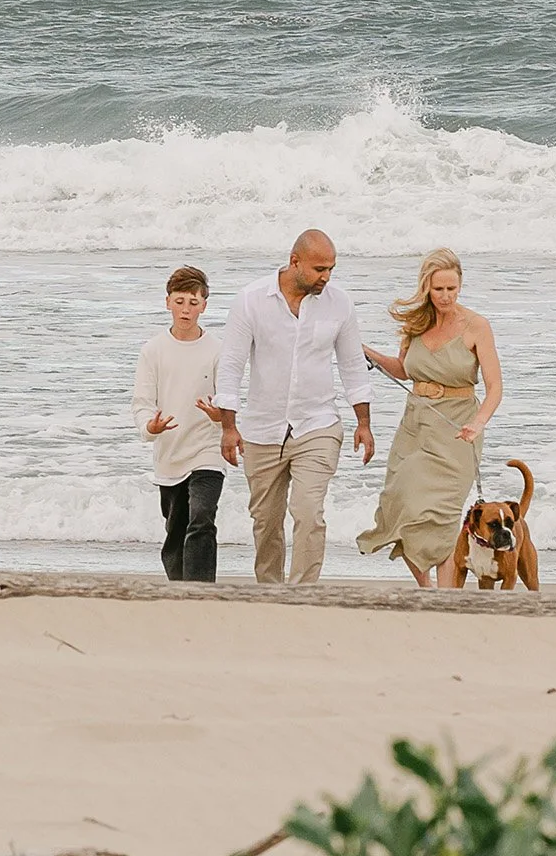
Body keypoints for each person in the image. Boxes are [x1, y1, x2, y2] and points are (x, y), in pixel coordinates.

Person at [215, 228, 375, 587]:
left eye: (331, 269)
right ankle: (270, 593)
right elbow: (231, 365)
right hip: (262, 429)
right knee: (266, 521)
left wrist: (363, 423)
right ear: (294, 262)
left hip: (317, 424)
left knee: (309, 512)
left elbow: (352, 365)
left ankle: (304, 594)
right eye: (319, 269)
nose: (326, 277)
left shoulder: (340, 303)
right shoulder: (251, 300)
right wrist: (229, 426)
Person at [359, 247, 504, 587]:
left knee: (441, 516)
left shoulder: (476, 326)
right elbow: (404, 370)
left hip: (458, 430)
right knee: (402, 504)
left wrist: (479, 422)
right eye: (438, 289)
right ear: (427, 287)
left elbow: (495, 386)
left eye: (452, 288)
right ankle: (427, 589)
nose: (445, 296)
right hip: (416, 425)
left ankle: (444, 597)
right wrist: (367, 352)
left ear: (460, 285)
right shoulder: (416, 324)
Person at [132, 262, 227, 582]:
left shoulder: (217, 350)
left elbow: (229, 400)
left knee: (201, 518)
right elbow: (142, 403)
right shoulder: (153, 351)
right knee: (176, 530)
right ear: (168, 302)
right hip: (170, 453)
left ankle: (200, 594)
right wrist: (151, 428)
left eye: (193, 302)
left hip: (207, 450)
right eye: (179, 301)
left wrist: (220, 417)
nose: (186, 309)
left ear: (204, 305)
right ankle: (178, 592)